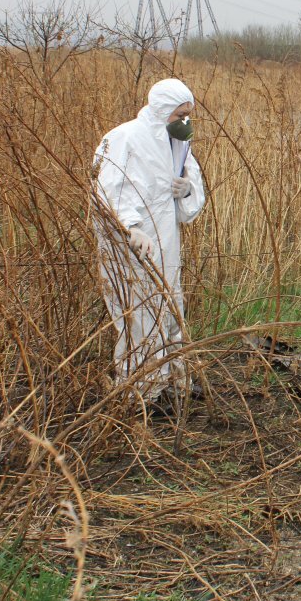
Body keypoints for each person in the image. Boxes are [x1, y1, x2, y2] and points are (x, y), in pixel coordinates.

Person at [93, 77, 206, 412]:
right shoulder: (125, 137)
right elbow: (108, 188)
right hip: (130, 248)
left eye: (189, 114)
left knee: (171, 309)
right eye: (179, 114)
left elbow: (191, 201)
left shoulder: (179, 145)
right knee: (140, 317)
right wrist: (129, 226)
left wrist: (186, 190)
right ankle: (138, 395)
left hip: (166, 242)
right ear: (161, 111)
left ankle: (173, 384)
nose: (185, 121)